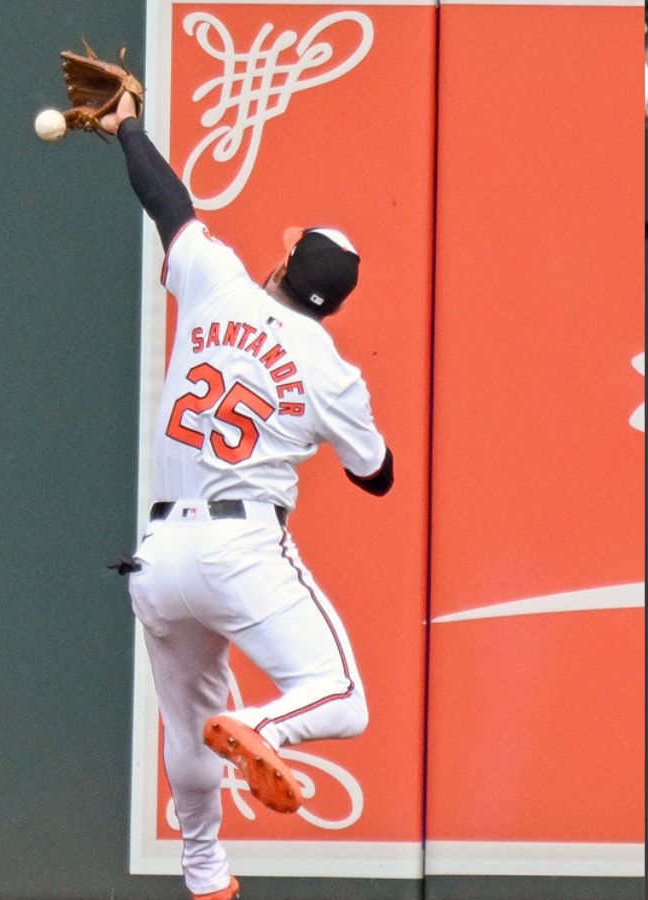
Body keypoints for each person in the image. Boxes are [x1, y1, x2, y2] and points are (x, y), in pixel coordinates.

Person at [100, 90, 392, 900]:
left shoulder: (219, 283)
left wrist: (126, 123)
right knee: (341, 701)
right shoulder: (332, 368)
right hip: (240, 550)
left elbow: (167, 199)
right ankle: (260, 727)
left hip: (158, 556)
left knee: (188, 726)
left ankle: (204, 870)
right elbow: (376, 476)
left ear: (283, 266)